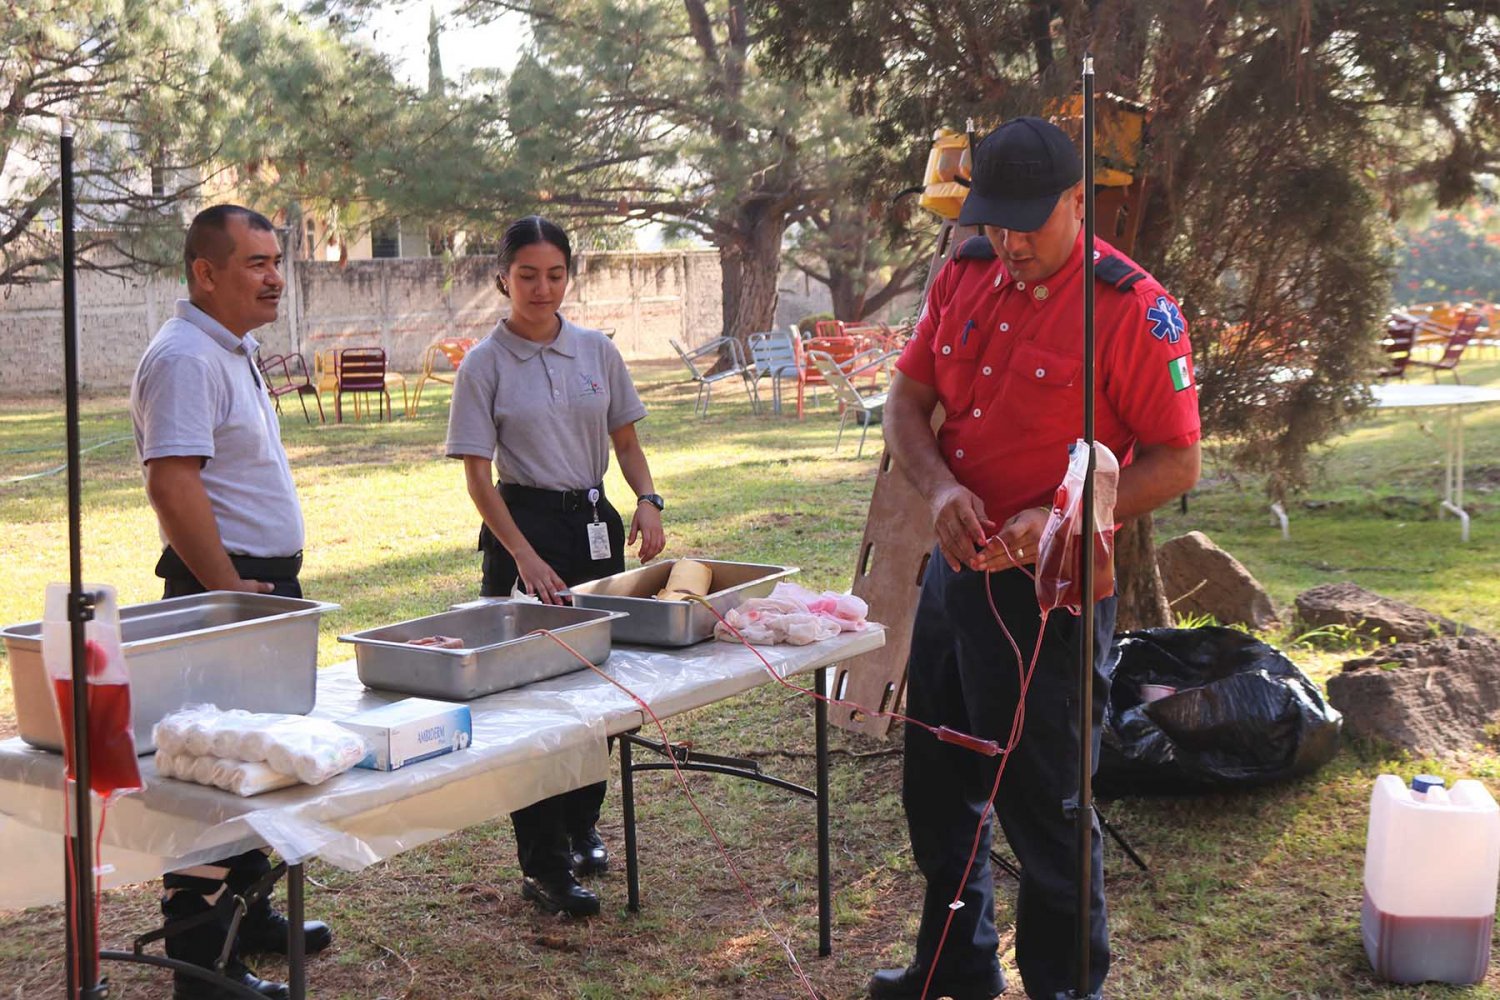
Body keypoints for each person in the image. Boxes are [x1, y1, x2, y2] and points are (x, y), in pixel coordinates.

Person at [869, 117, 1202, 1000]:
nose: (1010, 243)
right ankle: (956, 969)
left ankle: (1066, 988)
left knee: (1047, 804)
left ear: (1075, 201)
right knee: (940, 785)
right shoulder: (964, 272)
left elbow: (1177, 461)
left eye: (1028, 223)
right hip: (954, 579)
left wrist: (1060, 517)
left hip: (1051, 593)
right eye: (996, 222)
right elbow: (906, 402)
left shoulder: (1131, 308)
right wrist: (940, 490)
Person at [130, 204, 333, 1000]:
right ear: (203, 273)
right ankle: (203, 968)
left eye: (277, 260)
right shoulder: (184, 355)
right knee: (213, 774)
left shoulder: (231, 347)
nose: (275, 276)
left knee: (258, 760)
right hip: (224, 591)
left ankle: (247, 915)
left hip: (255, 587)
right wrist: (226, 590)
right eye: (255, 262)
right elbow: (171, 482)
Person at [445, 215, 666, 918]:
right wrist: (523, 555)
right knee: (532, 699)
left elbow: (625, 441)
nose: (542, 288)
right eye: (526, 275)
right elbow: (479, 481)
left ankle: (580, 825)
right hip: (522, 527)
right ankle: (542, 862)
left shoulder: (596, 351)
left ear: (570, 276)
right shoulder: (484, 365)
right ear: (501, 279)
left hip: (593, 528)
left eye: (555, 274)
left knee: (600, 685)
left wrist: (649, 500)